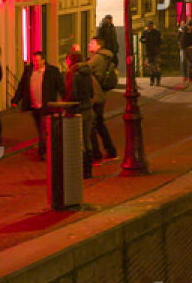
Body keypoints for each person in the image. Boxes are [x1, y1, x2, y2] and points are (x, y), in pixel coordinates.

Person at [12, 51, 64, 158]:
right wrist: (15, 100)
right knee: (40, 128)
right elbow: (22, 86)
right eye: (33, 60)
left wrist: (66, 100)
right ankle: (47, 146)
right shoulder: (29, 71)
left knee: (43, 128)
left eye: (37, 60)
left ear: (43, 61)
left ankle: (42, 151)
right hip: (34, 105)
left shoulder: (52, 71)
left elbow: (61, 86)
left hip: (46, 105)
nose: (34, 62)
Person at [86, 38, 118, 160]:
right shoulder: (104, 57)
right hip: (99, 95)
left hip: (95, 95)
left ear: (99, 46)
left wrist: (76, 56)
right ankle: (110, 150)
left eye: (92, 43)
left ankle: (96, 154)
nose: (90, 44)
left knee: (92, 125)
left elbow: (84, 68)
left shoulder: (98, 58)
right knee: (99, 124)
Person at [65, 50, 96, 178]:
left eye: (67, 59)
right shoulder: (87, 73)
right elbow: (92, 92)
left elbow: (73, 94)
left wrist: (67, 103)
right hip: (88, 108)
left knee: (78, 141)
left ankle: (81, 170)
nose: (66, 62)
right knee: (87, 139)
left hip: (78, 110)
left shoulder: (73, 74)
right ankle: (89, 170)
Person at [141, 21, 163, 86]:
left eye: (150, 26)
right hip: (149, 51)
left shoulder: (156, 32)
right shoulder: (145, 32)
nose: (149, 27)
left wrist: (158, 47)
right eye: (148, 26)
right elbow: (141, 39)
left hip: (155, 51)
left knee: (157, 66)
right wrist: (144, 40)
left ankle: (158, 80)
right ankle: (152, 80)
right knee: (150, 67)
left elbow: (160, 41)